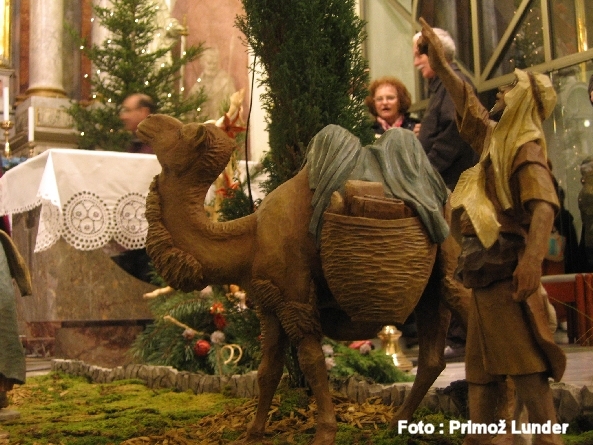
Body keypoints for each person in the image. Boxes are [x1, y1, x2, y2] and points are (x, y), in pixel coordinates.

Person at [420, 17, 566, 444]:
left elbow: (544, 207)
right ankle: (482, 438)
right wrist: (442, 65)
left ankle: (548, 438)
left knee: (525, 367)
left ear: (523, 100)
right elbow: (469, 107)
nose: (500, 92)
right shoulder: (497, 142)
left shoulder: (524, 151)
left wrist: (532, 263)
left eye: (509, 88)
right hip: (483, 275)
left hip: (505, 275)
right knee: (481, 374)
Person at [413, 27, 479, 357]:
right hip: (445, 186)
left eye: (420, 54)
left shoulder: (454, 84)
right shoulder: (442, 87)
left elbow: (452, 138)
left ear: (436, 54)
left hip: (454, 188)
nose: (416, 62)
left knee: (458, 260)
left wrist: (424, 174)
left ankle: (463, 337)